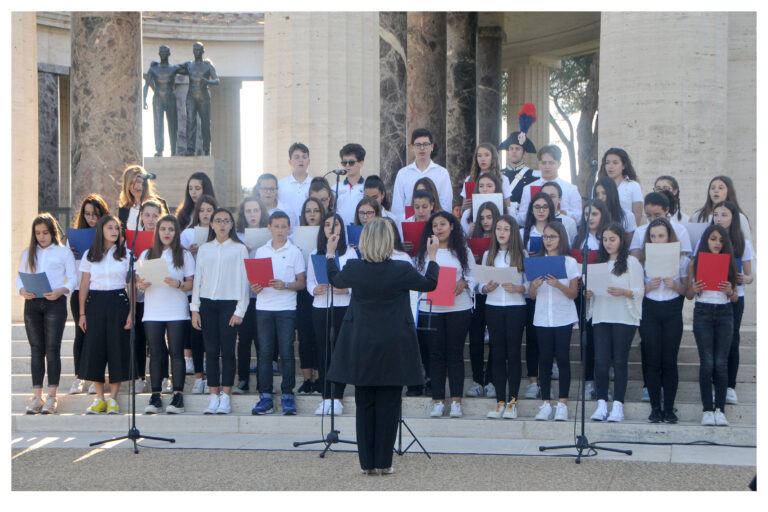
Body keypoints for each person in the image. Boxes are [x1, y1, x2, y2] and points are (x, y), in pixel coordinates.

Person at [325, 218, 440, 475]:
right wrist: (433, 257)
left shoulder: (354, 268)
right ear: (389, 242)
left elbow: (335, 278)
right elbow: (430, 284)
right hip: (393, 343)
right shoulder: (401, 268)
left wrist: (331, 253)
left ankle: (367, 464)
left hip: (362, 342)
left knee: (364, 403)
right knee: (389, 404)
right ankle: (384, 462)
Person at [416, 212, 475, 419]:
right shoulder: (425, 252)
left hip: (458, 308)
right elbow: (419, 277)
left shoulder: (462, 250)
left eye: (443, 224)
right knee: (435, 354)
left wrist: (463, 283)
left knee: (455, 354)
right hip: (431, 308)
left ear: (452, 226)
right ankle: (439, 400)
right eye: (434, 225)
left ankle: (456, 401)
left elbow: (472, 276)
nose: (438, 228)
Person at [191, 208, 249, 415]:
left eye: (226, 221)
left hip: (229, 304)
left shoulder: (240, 249)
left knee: (227, 351)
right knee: (212, 351)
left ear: (232, 224)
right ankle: (213, 396)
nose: (222, 224)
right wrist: (195, 309)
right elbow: (198, 279)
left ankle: (226, 396)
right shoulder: (205, 249)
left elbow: (244, 282)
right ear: (212, 225)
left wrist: (240, 310)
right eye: (218, 221)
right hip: (207, 304)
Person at [17, 213, 76, 414]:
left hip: (54, 303)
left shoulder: (63, 253)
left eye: (45, 232)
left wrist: (60, 290)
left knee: (52, 349)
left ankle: (52, 396)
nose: (41, 237)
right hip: (33, 304)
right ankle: (36, 396)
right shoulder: (28, 253)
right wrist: (22, 290)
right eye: (38, 233)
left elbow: (72, 278)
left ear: (52, 232)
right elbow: (20, 278)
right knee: (36, 349)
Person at [586, 223, 644, 422]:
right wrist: (589, 292)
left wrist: (623, 292)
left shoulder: (631, 262)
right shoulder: (597, 262)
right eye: (605, 240)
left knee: (619, 361)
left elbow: (639, 291)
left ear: (621, 240)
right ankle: (601, 403)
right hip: (602, 315)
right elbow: (591, 288)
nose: (608, 243)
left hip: (623, 317)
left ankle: (618, 405)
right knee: (601, 361)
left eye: (612, 239)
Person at [136, 215, 195, 414]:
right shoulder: (146, 254)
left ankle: (178, 395)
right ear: (157, 232)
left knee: (176, 353)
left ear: (176, 232)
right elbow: (139, 283)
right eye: (163, 229)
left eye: (171, 229)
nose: (167, 233)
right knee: (155, 353)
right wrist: (141, 285)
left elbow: (191, 283)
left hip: (177, 310)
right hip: (153, 311)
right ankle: (155, 395)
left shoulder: (184, 255)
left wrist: (177, 284)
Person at [250, 211, 307, 415]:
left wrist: (285, 285)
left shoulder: (295, 252)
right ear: (269, 228)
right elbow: (255, 281)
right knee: (264, 354)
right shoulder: (261, 251)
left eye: (284, 226)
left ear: (289, 228)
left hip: (286, 308)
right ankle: (265, 396)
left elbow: (302, 282)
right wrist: (255, 288)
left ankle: (287, 395)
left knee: (287, 353)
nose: (280, 230)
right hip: (264, 307)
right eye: (277, 226)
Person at [78, 215, 132, 414]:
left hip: (118, 301)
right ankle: (99, 398)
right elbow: (84, 285)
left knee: (116, 348)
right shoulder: (89, 254)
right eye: (110, 227)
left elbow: (131, 285)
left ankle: (113, 399)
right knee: (95, 349)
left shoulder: (126, 254)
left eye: (117, 228)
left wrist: (132, 312)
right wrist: (82, 314)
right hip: (96, 302)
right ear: (101, 230)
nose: (114, 231)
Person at [685, 224, 738, 426]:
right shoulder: (695, 263)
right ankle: (707, 409)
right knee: (707, 362)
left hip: (724, 312)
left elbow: (734, 298)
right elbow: (689, 295)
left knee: (721, 363)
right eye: (713, 238)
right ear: (706, 240)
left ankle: (720, 409)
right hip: (703, 312)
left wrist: (730, 291)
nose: (717, 243)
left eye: (721, 240)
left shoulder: (730, 262)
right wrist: (694, 287)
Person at [306, 212, 358, 415]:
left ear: (341, 229)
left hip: (343, 306)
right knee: (323, 351)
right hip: (321, 306)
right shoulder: (315, 252)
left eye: (335, 225)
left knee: (340, 351)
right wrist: (314, 289)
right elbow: (310, 281)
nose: (331, 228)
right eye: (327, 225)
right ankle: (326, 397)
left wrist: (347, 289)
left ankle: (338, 397)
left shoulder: (350, 254)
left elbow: (356, 280)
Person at [638, 218, 688, 423]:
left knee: (669, 360)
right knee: (652, 360)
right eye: (653, 236)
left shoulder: (682, 260)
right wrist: (647, 287)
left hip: (672, 310)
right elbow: (634, 291)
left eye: (661, 236)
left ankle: (669, 408)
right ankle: (655, 407)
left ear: (669, 236)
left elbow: (688, 291)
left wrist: (675, 285)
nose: (657, 240)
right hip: (649, 310)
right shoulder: (642, 261)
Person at [478, 215, 528, 419]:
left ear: (513, 232)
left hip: (516, 307)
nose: (501, 232)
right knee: (497, 354)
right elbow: (479, 284)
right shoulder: (488, 254)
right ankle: (499, 400)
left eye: (506, 229)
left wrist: (518, 287)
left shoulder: (521, 254)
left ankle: (513, 400)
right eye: (499, 228)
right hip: (494, 307)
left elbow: (529, 284)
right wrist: (485, 287)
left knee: (513, 354)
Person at [529, 222, 579, 421]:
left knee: (563, 358)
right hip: (542, 316)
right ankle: (546, 403)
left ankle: (562, 404)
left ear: (561, 238)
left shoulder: (569, 262)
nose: (548, 241)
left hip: (562, 316)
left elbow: (573, 293)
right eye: (546, 237)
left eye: (553, 237)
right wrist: (533, 286)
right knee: (544, 360)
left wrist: (558, 284)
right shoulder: (537, 260)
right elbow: (532, 296)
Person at [711, 201, 753, 405]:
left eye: (724, 214)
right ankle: (715, 384)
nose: (719, 218)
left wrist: (746, 278)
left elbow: (750, 274)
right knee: (713, 341)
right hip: (713, 297)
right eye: (716, 214)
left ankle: (729, 386)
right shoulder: (709, 241)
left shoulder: (741, 242)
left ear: (733, 218)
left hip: (736, 296)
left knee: (732, 340)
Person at [67, 194, 110, 395]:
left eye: (95, 214)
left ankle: (95, 377)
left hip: (100, 291)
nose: (91, 218)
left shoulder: (109, 236)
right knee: (80, 334)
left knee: (98, 336)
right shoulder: (74, 238)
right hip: (79, 291)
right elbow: (67, 268)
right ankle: (79, 377)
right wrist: (71, 255)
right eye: (87, 214)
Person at [519, 192, 557, 399]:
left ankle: (546, 379)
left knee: (548, 340)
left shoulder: (557, 230)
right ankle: (533, 380)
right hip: (530, 290)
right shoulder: (524, 232)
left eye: (545, 207)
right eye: (537, 207)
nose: (541, 210)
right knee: (533, 338)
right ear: (532, 210)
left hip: (552, 290)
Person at [464, 200, 501, 399]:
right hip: (476, 293)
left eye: (490, 217)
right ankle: (478, 380)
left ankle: (492, 380)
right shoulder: (471, 239)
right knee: (476, 339)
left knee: (496, 338)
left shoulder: (502, 240)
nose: (486, 221)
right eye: (482, 218)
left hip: (495, 293)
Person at [233, 195, 269, 394]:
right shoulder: (237, 236)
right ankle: (243, 379)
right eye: (248, 211)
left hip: (264, 294)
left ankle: (264, 382)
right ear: (243, 214)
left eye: (256, 210)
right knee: (244, 339)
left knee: (262, 341)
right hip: (244, 294)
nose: (252, 214)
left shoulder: (269, 233)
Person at [179, 195, 216, 387]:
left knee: (210, 332)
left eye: (209, 210)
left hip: (214, 287)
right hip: (194, 288)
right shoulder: (187, 234)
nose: (205, 214)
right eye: (202, 210)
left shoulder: (219, 232)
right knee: (195, 330)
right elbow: (178, 257)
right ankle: (198, 376)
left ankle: (209, 369)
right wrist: (190, 252)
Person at [391, 128, 453, 217]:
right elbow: (397, 207)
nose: (422, 148)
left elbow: (446, 205)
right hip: (410, 225)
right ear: (412, 147)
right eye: (418, 145)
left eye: (425, 144)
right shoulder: (403, 174)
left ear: (432, 147)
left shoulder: (442, 173)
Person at [517, 145, 583, 224]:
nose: (547, 166)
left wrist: (564, 214)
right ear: (539, 164)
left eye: (551, 163)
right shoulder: (528, 188)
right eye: (544, 163)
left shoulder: (571, 189)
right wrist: (534, 213)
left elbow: (580, 218)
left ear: (559, 164)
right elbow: (520, 219)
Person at [499, 102, 540, 219]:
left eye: (517, 149)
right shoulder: (499, 174)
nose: (514, 151)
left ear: (524, 152)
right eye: (511, 149)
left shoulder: (533, 176)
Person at [178, 42, 219, 156]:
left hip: (203, 95)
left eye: (199, 50)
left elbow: (217, 80)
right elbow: (175, 69)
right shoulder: (189, 65)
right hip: (191, 95)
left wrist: (207, 81)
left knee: (205, 123)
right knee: (190, 121)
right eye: (194, 50)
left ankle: (206, 148)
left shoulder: (208, 66)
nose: (196, 52)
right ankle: (190, 148)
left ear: (203, 51)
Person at [143, 45, 181, 157]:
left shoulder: (174, 68)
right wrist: (144, 100)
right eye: (161, 52)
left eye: (165, 52)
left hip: (170, 98)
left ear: (169, 54)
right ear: (159, 54)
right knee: (158, 124)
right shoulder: (153, 69)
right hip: (158, 98)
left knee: (173, 125)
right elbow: (146, 85)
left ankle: (174, 149)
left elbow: (188, 70)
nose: (163, 54)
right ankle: (159, 149)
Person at [630, 192, 692, 258]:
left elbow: (684, 257)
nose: (652, 219)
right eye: (648, 215)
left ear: (667, 210)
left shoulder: (680, 230)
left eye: (657, 215)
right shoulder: (639, 231)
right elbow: (635, 257)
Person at [691, 175, 751, 241]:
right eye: (713, 188)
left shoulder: (740, 217)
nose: (716, 191)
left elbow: (747, 243)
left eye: (720, 188)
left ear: (729, 191)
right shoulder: (698, 216)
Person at [460, 143, 512, 213]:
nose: (483, 159)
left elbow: (507, 206)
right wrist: (464, 207)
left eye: (486, 155)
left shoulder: (503, 179)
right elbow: (464, 209)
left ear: (493, 157)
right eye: (479, 156)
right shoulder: (470, 179)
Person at [597, 148, 643, 226]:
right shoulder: (598, 186)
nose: (610, 166)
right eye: (607, 163)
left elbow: (637, 214)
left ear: (623, 165)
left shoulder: (633, 186)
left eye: (615, 163)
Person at [117, 165, 168, 231]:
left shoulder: (160, 203)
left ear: (146, 183)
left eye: (139, 182)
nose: (136, 186)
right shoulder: (123, 209)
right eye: (132, 183)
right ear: (127, 187)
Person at [278, 142, 313, 220]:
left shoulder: (315, 184)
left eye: (304, 157)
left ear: (309, 161)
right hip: (285, 230)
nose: (301, 160)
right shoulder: (280, 185)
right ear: (290, 162)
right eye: (297, 157)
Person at [336, 143, 367, 226]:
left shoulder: (367, 187)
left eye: (351, 162)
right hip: (341, 232)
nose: (347, 165)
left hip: (361, 230)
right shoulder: (335, 188)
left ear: (361, 163)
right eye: (344, 162)